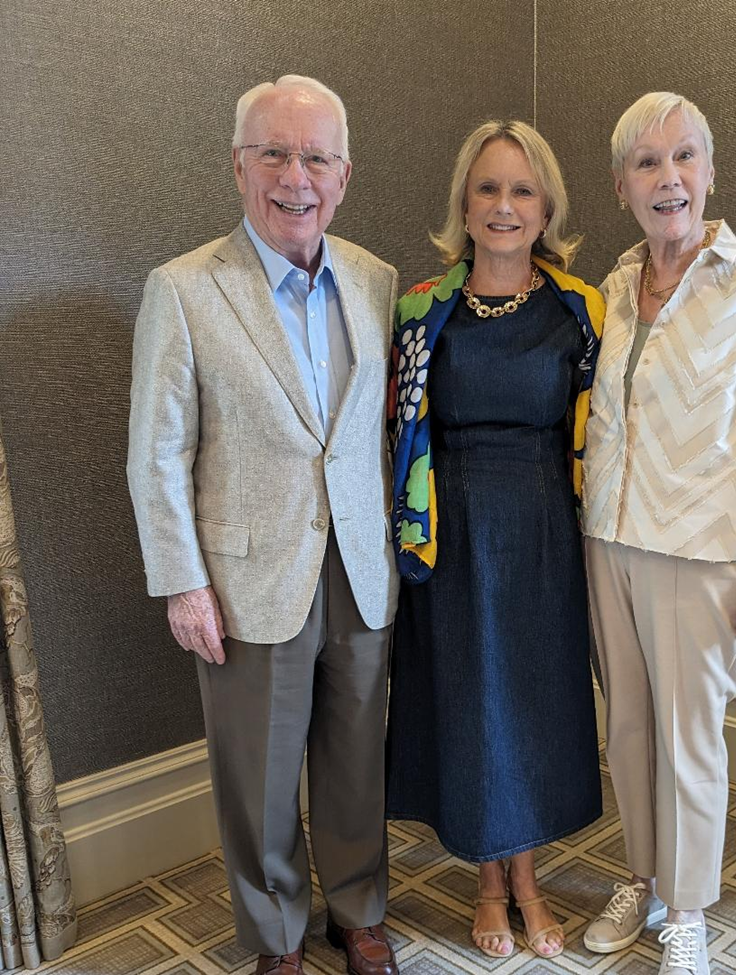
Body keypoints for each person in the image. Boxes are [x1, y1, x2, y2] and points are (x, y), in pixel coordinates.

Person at [127, 75, 400, 975]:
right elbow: (157, 452)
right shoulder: (183, 289)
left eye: (316, 156)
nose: (296, 177)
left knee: (357, 756)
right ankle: (278, 934)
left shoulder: (375, 280)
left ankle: (357, 909)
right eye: (274, 153)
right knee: (259, 772)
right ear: (238, 167)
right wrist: (182, 581)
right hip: (245, 577)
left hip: (360, 565)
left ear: (344, 174)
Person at [581, 92, 736, 975]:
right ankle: (641, 878)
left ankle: (686, 911)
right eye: (646, 162)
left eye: (683, 156)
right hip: (608, 539)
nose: (668, 177)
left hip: (704, 548)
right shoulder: (613, 286)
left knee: (689, 738)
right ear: (621, 185)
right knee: (628, 729)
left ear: (710, 172)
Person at [384, 121, 604, 960]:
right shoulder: (420, 309)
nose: (503, 205)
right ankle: (486, 882)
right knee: (472, 705)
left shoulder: (581, 309)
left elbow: (602, 431)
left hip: (544, 530)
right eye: (487, 188)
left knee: (534, 704)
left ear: (545, 208)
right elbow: (395, 428)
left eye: (521, 189)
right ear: (464, 204)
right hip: (449, 534)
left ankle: (528, 881)